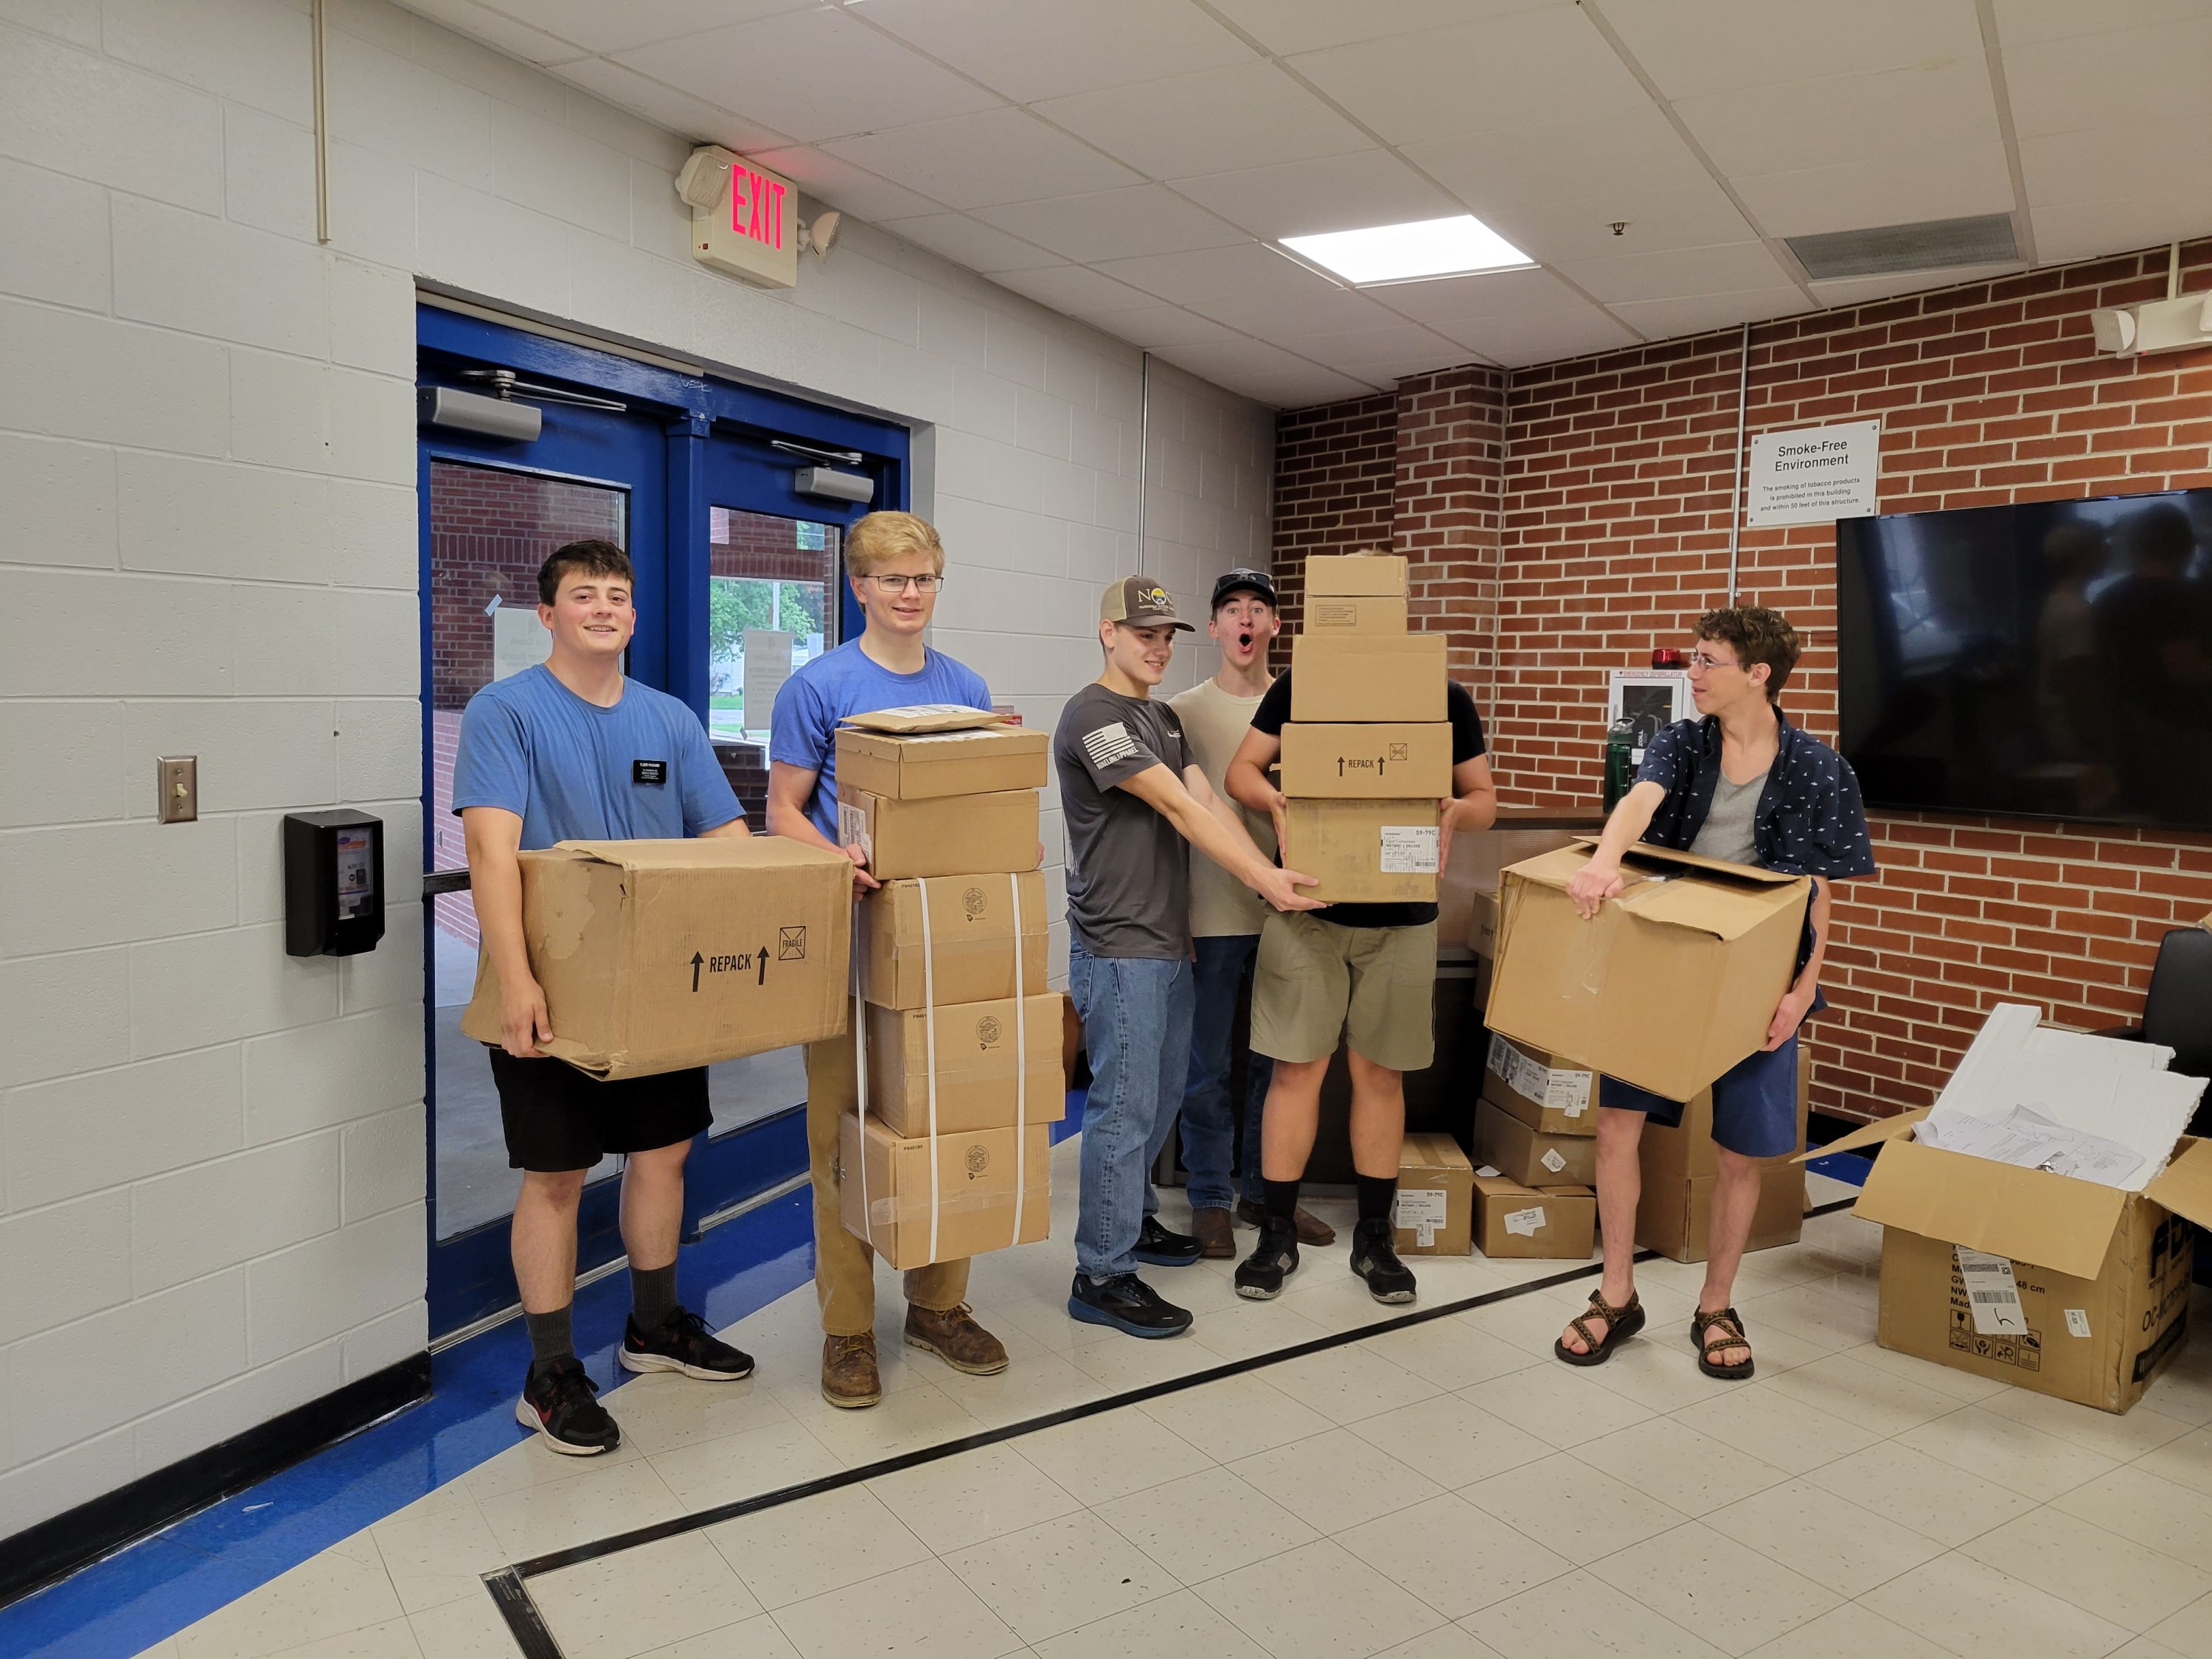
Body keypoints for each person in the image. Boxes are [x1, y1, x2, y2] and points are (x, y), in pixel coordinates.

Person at [456, 539, 755, 1458]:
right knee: (555, 1176)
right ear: (546, 615)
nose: (604, 608)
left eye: (618, 595)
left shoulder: (668, 720)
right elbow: (490, 856)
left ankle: (654, 1327)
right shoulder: (505, 713)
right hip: (552, 986)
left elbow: (729, 839)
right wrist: (517, 984)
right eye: (583, 596)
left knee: (662, 1156)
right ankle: (549, 1374)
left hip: (658, 989)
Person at [1553, 606, 1874, 1380]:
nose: (1691, 673)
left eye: (1706, 661)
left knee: (1738, 1154)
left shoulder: (1818, 767)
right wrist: (1605, 859)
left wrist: (1804, 991)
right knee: (1617, 1125)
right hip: (1663, 964)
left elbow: (1816, 895)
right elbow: (1641, 801)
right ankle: (1617, 1294)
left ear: (1756, 673)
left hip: (1762, 982)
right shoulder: (1681, 741)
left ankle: (1716, 1305)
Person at [766, 509, 1012, 1410]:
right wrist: (837, 859)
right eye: (893, 579)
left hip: (943, 943)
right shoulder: (819, 686)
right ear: (860, 588)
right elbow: (785, 810)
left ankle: (939, 1306)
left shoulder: (966, 686)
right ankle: (847, 1330)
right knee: (840, 1139)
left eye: (925, 578)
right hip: (851, 941)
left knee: (942, 1120)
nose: (911, 594)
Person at [1057, 576, 1324, 1338]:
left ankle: (1134, 1221)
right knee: (1124, 1108)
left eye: (1167, 635)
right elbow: (1172, 804)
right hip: (1119, 945)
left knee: (1162, 1095)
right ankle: (1101, 1272)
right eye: (1144, 633)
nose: (1159, 646)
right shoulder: (1095, 716)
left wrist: (1268, 874)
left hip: (1167, 939)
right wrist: (1261, 876)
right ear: (1107, 633)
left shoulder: (1160, 717)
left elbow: (1208, 801)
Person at [1224, 568, 1498, 1306]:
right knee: (1295, 1071)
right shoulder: (1297, 692)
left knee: (1382, 1074)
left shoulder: (1442, 698)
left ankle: (1374, 1239)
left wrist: (1449, 815)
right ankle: (1274, 1235)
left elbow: (1484, 801)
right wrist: (1275, 801)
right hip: (1308, 909)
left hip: (1402, 920)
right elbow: (1239, 772)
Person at [1166, 568, 1335, 1257]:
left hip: (1289, 912)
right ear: (1214, 628)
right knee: (1206, 1064)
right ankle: (1209, 1196)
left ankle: (1269, 1198)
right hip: (1209, 910)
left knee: (1280, 1063)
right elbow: (1173, 816)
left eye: (1257, 609)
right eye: (1231, 608)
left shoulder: (1306, 707)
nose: (1244, 619)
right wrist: (1174, 914)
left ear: (1272, 626)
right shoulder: (1180, 711)